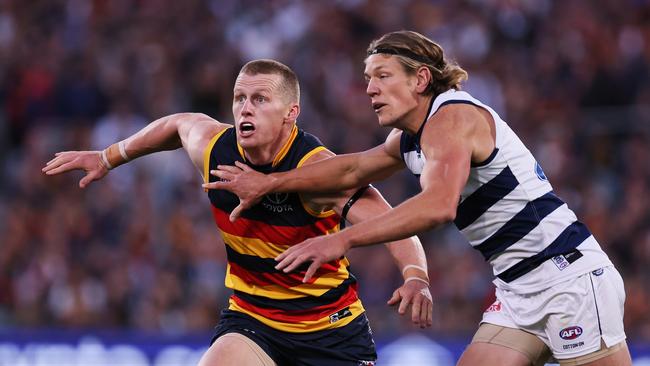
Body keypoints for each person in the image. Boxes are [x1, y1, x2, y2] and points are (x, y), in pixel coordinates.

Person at [207, 32, 632, 366]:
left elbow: (439, 205)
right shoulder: (410, 137)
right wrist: (270, 182)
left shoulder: (452, 119)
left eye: (383, 76)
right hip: (518, 289)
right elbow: (351, 169)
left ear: (421, 78)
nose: (370, 88)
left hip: (567, 279)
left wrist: (343, 240)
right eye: (368, 78)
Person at [42, 59, 433, 366]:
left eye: (260, 99)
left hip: (329, 332)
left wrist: (416, 277)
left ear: (290, 112)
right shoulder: (215, 149)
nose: (245, 109)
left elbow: (396, 227)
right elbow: (179, 124)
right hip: (253, 320)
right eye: (239, 98)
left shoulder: (318, 171)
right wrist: (108, 157)